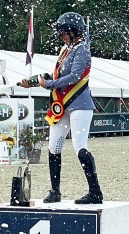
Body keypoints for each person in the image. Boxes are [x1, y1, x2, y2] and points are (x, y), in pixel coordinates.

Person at [20, 12, 103, 204]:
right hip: (63, 105)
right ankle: (55, 191)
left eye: (63, 33)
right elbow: (56, 74)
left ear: (74, 32)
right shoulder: (66, 50)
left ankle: (95, 192)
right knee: (53, 146)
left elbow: (74, 76)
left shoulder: (82, 49)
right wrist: (33, 82)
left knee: (79, 147)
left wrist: (48, 85)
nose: (61, 36)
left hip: (80, 104)